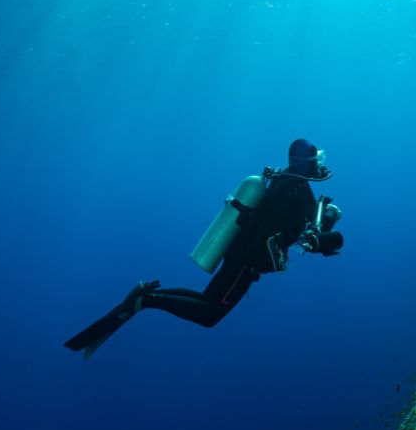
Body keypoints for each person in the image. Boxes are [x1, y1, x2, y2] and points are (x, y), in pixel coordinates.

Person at [64, 139, 345, 358]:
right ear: (308, 163)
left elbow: (284, 223)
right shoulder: (297, 190)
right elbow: (311, 237)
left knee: (206, 298)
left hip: (239, 252)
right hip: (248, 261)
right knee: (210, 314)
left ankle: (147, 294)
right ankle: (146, 300)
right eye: (317, 159)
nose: (320, 164)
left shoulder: (284, 181)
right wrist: (330, 237)